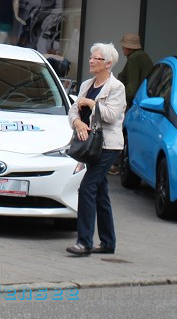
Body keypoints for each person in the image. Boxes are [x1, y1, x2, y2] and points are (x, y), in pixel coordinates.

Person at [66, 42, 126, 257]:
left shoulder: (116, 87)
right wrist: (78, 123)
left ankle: (84, 242)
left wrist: (91, 104)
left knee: (87, 188)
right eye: (91, 57)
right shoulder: (86, 84)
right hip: (90, 145)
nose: (91, 60)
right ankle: (108, 243)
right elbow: (73, 110)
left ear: (108, 63)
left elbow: (110, 116)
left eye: (96, 58)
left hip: (108, 146)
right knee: (101, 193)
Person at [118, 33, 153, 107]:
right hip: (145, 97)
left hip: (136, 102)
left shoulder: (133, 59)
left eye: (124, 47)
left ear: (129, 48)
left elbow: (132, 86)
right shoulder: (143, 55)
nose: (122, 49)